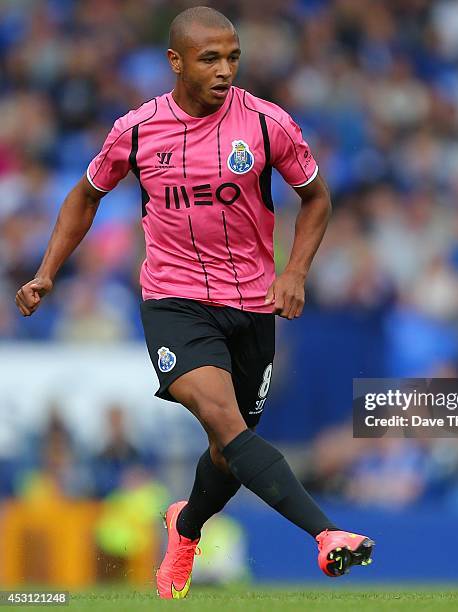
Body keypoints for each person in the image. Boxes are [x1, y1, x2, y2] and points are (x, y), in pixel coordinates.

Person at [15, 6, 374, 599]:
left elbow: (316, 198)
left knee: (229, 447)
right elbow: (85, 194)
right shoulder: (136, 129)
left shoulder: (266, 124)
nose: (226, 69)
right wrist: (48, 271)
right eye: (211, 58)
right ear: (175, 62)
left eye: (233, 57)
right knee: (226, 421)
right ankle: (327, 533)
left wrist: (296, 272)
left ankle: (184, 530)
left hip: (253, 303)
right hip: (173, 301)